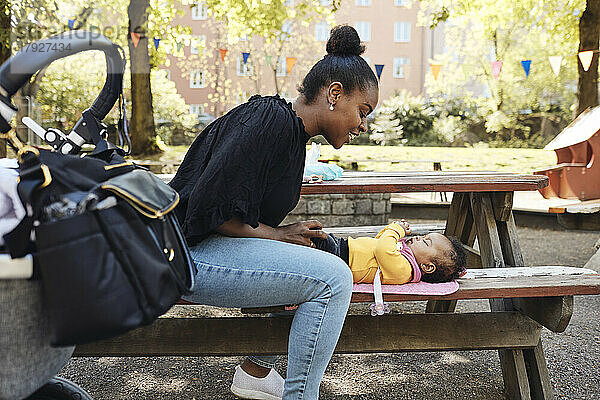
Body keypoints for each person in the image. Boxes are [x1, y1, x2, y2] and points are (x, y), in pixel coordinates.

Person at [168, 24, 379, 400]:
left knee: (312, 259)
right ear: (334, 94)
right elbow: (208, 209)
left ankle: (254, 373)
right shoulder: (271, 119)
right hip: (185, 256)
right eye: (362, 111)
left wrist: (289, 237)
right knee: (333, 279)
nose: (363, 124)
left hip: (206, 253)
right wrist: (279, 235)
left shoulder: (293, 137)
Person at [314, 220, 467, 285]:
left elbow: (382, 249)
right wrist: (391, 228)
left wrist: (396, 230)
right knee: (312, 235)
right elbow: (379, 240)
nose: (419, 237)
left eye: (426, 242)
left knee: (309, 242)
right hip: (341, 247)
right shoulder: (403, 255)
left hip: (341, 260)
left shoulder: (404, 271)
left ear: (427, 266)